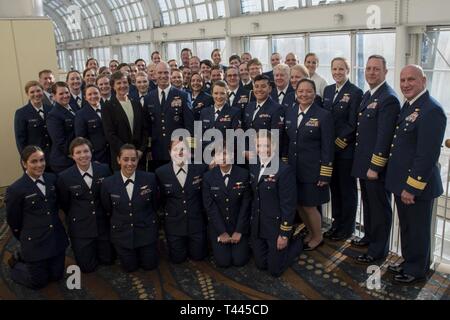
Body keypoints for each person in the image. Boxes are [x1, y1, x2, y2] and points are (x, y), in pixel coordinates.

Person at [385, 65, 446, 284]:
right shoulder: (410, 106)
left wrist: (411, 187)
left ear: (423, 81)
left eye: (411, 79)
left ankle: (416, 270)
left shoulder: (431, 110)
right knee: (407, 227)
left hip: (417, 187)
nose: (405, 84)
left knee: (418, 230)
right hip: (402, 183)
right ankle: (409, 260)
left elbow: (426, 156)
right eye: (402, 80)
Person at [351, 55, 400, 264]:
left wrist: (375, 167)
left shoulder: (388, 98)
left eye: (376, 69)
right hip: (364, 164)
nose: (371, 72)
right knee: (368, 204)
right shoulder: (369, 95)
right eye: (369, 68)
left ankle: (378, 250)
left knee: (379, 208)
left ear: (385, 72)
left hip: (375, 167)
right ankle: (370, 237)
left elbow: (384, 136)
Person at [5, 146, 69, 289]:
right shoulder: (16, 189)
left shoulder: (52, 179)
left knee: (56, 276)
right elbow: (13, 221)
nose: (39, 165)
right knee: (38, 282)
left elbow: (60, 203)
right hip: (34, 242)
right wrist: (24, 237)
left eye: (42, 160)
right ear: (24, 163)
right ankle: (16, 263)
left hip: (55, 238)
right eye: (34, 161)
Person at [283, 79, 334, 251]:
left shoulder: (323, 115)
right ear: (296, 94)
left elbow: (328, 147)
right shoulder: (289, 113)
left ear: (314, 93)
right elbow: (286, 141)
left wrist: (325, 173)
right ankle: (311, 232)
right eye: (301, 91)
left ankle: (318, 236)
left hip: (312, 170)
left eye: (308, 91)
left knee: (310, 205)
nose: (304, 94)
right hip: (293, 169)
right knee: (298, 203)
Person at [249, 131, 302, 277]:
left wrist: (284, 234)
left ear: (273, 146)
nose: (262, 149)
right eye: (258, 145)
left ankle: (296, 242)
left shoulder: (284, 170)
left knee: (274, 270)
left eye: (266, 145)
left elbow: (289, 205)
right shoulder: (254, 165)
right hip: (259, 225)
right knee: (260, 264)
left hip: (275, 227)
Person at [57, 138, 114, 273]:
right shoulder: (64, 177)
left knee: (108, 260)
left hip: (102, 224)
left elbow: (109, 195)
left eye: (86, 151)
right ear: (72, 156)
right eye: (78, 152)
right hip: (81, 227)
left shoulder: (104, 169)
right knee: (87, 267)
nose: (83, 155)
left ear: (91, 152)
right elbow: (65, 204)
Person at [322, 58, 363, 241]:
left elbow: (353, 124)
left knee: (347, 191)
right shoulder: (329, 90)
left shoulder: (355, 92)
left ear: (348, 70)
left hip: (345, 152)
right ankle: (336, 223)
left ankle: (347, 228)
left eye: (341, 69)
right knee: (335, 190)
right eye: (334, 68)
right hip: (330, 152)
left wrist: (336, 145)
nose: (337, 72)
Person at [101, 144, 159, 272]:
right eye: (125, 159)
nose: (130, 163)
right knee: (129, 268)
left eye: (133, 159)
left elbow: (155, 204)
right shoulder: (108, 183)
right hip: (122, 234)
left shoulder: (150, 178)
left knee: (150, 266)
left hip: (146, 232)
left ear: (138, 160)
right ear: (118, 160)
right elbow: (108, 208)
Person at [155, 139, 208, 263]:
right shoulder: (160, 173)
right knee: (178, 259)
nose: (179, 153)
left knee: (198, 257)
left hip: (196, 223)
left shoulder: (200, 169)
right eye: (175, 149)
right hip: (174, 225)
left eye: (183, 149)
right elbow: (159, 200)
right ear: (169, 152)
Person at [202, 145, 251, 267]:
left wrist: (239, 230)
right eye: (218, 154)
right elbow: (210, 207)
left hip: (238, 225)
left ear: (232, 156)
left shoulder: (244, 174)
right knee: (223, 262)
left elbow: (246, 205)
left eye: (225, 153)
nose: (223, 157)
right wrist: (221, 232)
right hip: (219, 226)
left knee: (239, 261)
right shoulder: (208, 177)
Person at [145, 62, 194, 171]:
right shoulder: (149, 98)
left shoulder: (183, 95)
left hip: (178, 150)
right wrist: (148, 149)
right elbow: (147, 127)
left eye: (166, 72)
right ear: (155, 75)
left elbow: (190, 126)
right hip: (157, 150)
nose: (163, 76)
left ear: (170, 74)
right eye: (160, 73)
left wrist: (189, 148)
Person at [102, 71, 148, 171]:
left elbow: (144, 129)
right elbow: (110, 134)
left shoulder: (136, 103)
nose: (122, 85)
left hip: (139, 157)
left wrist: (141, 150)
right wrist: (126, 153)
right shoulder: (108, 107)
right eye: (118, 83)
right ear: (113, 86)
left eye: (125, 82)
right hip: (121, 158)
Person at [14, 81, 52, 169]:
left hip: (52, 158)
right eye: (32, 92)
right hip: (34, 159)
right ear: (27, 94)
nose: (36, 94)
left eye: (38, 91)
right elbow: (20, 140)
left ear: (42, 92)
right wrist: (27, 159)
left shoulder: (51, 109)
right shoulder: (21, 113)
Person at [199, 81, 241, 151]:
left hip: (225, 154)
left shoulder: (235, 112)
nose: (219, 97)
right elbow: (199, 136)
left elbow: (235, 137)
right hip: (206, 154)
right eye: (216, 93)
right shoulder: (204, 112)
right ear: (212, 94)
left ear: (227, 94)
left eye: (222, 93)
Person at [47, 82, 78, 173]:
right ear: (54, 96)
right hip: (64, 161)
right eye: (61, 94)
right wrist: (76, 155)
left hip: (76, 156)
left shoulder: (74, 107)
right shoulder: (53, 115)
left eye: (67, 92)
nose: (65, 95)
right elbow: (60, 141)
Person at [74, 85, 110, 164]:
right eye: (89, 94)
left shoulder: (109, 108)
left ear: (100, 94)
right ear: (85, 97)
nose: (93, 96)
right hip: (97, 156)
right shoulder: (81, 114)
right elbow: (82, 139)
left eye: (96, 93)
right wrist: (92, 158)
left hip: (112, 153)